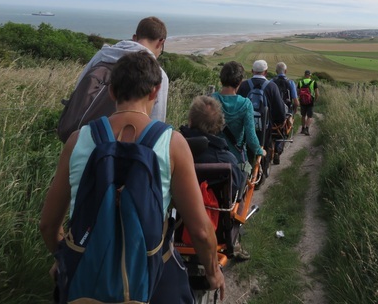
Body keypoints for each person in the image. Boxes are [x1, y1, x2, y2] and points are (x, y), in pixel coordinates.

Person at [40, 51, 224, 303]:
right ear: (155, 92)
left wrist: (66, 257)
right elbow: (201, 231)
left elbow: (48, 225)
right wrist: (213, 273)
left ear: (112, 92)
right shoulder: (172, 143)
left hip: (84, 276)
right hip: (150, 276)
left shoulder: (77, 140)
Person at [74, 16, 169, 121]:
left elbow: (79, 87)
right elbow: (157, 119)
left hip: (81, 127)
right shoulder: (158, 73)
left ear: (134, 37)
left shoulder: (103, 54)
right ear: (161, 42)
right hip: (123, 133)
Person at [180, 95, 245, 202]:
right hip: (215, 215)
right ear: (219, 126)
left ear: (190, 120)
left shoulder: (174, 150)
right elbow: (234, 191)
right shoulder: (227, 160)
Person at [212, 61, 266, 168]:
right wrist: (260, 151)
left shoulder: (211, 99)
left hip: (213, 157)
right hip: (236, 160)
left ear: (221, 78)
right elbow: (251, 138)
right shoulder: (245, 104)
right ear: (240, 81)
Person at [237, 60, 287, 165]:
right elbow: (280, 110)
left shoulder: (244, 85)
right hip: (265, 126)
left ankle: (248, 172)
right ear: (266, 72)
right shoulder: (272, 86)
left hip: (246, 125)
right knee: (265, 148)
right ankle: (263, 172)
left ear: (252, 71)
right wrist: (279, 121)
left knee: (247, 150)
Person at [271, 62, 299, 164]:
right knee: (283, 131)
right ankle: (278, 151)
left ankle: (271, 148)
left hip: (272, 111)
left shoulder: (271, 82)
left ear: (276, 71)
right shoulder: (290, 83)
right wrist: (294, 111)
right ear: (286, 71)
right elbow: (295, 101)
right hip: (285, 112)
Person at [297, 69, 319, 136]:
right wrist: (315, 100)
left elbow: (298, 93)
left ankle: (302, 129)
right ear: (310, 75)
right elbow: (317, 94)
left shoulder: (300, 82)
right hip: (310, 101)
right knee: (309, 116)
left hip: (302, 101)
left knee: (303, 115)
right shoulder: (313, 82)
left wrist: (300, 98)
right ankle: (307, 129)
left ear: (304, 75)